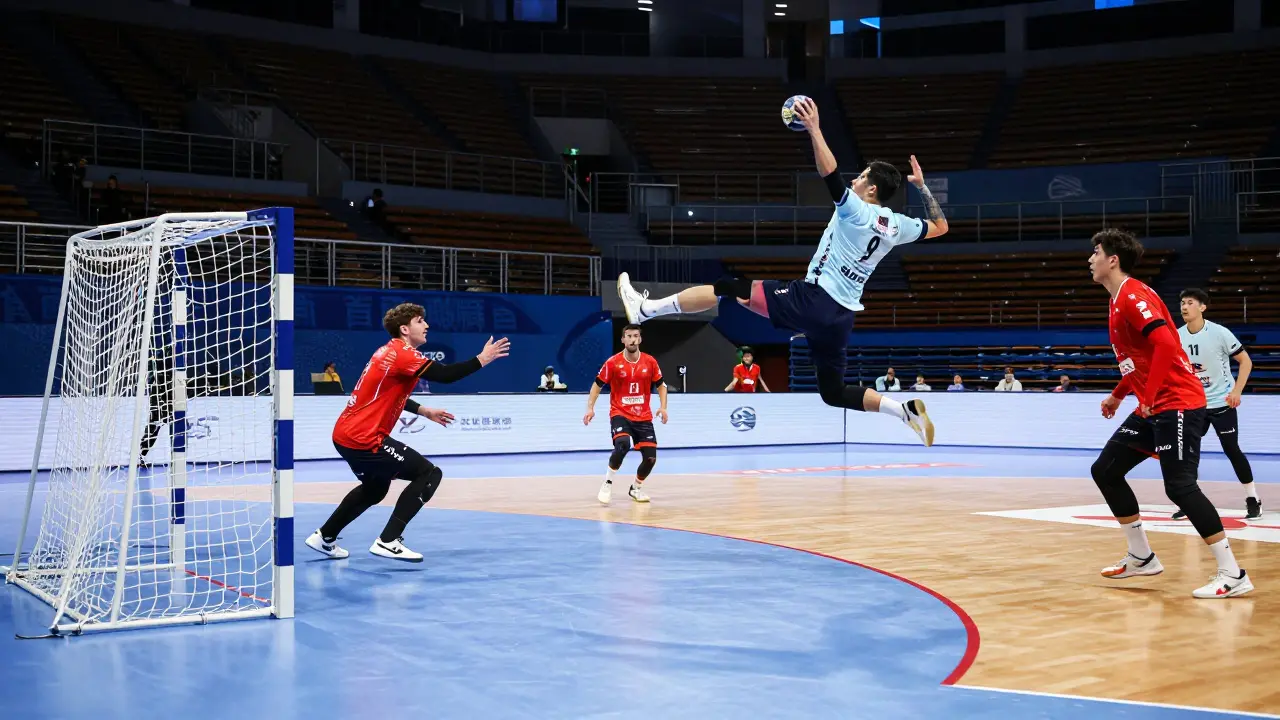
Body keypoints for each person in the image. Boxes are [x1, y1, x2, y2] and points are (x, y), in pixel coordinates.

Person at [614, 98, 940, 446]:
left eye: (861, 177)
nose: (856, 180)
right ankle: (904, 412)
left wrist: (814, 129)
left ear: (872, 189)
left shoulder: (856, 210)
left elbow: (829, 173)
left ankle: (646, 311)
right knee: (832, 392)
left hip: (814, 299)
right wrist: (921, 186)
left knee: (727, 286)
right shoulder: (898, 226)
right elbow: (940, 225)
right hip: (842, 316)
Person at [1089, 229, 1251, 598]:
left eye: (1096, 252)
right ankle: (1142, 557)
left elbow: (1164, 343)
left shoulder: (1133, 295)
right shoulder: (1116, 301)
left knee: (1179, 486)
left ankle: (1233, 573)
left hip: (1177, 402)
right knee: (1106, 470)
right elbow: (1138, 361)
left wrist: (1147, 395)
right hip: (1155, 404)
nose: (1090, 259)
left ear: (1113, 260)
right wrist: (1118, 395)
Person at [305, 303, 509, 563]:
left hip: (346, 435)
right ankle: (388, 540)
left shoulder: (389, 352)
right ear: (404, 328)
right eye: (420, 321)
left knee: (375, 489)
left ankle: (324, 537)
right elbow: (445, 375)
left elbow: (393, 393)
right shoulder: (403, 354)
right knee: (429, 473)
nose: (427, 326)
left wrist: (423, 411)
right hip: (364, 437)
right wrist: (483, 358)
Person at [1176, 287, 1260, 520]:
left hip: (1222, 402)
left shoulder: (1220, 333)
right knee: (1189, 452)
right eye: (1182, 302)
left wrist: (1237, 391)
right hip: (1194, 404)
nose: (1184, 306)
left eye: (1190, 302)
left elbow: (1246, 362)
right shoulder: (1177, 335)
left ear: (1202, 307)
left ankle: (1253, 498)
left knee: (1231, 450)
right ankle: (1190, 500)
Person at [584, 324, 668, 505]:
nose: (632, 339)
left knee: (651, 458)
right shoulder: (613, 362)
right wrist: (590, 408)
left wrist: (663, 407)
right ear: (623, 339)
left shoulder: (650, 362)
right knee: (622, 444)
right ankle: (607, 483)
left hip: (643, 416)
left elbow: (662, 385)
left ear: (640, 339)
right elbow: (597, 385)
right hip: (620, 412)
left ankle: (636, 488)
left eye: (635, 336)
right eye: (628, 336)